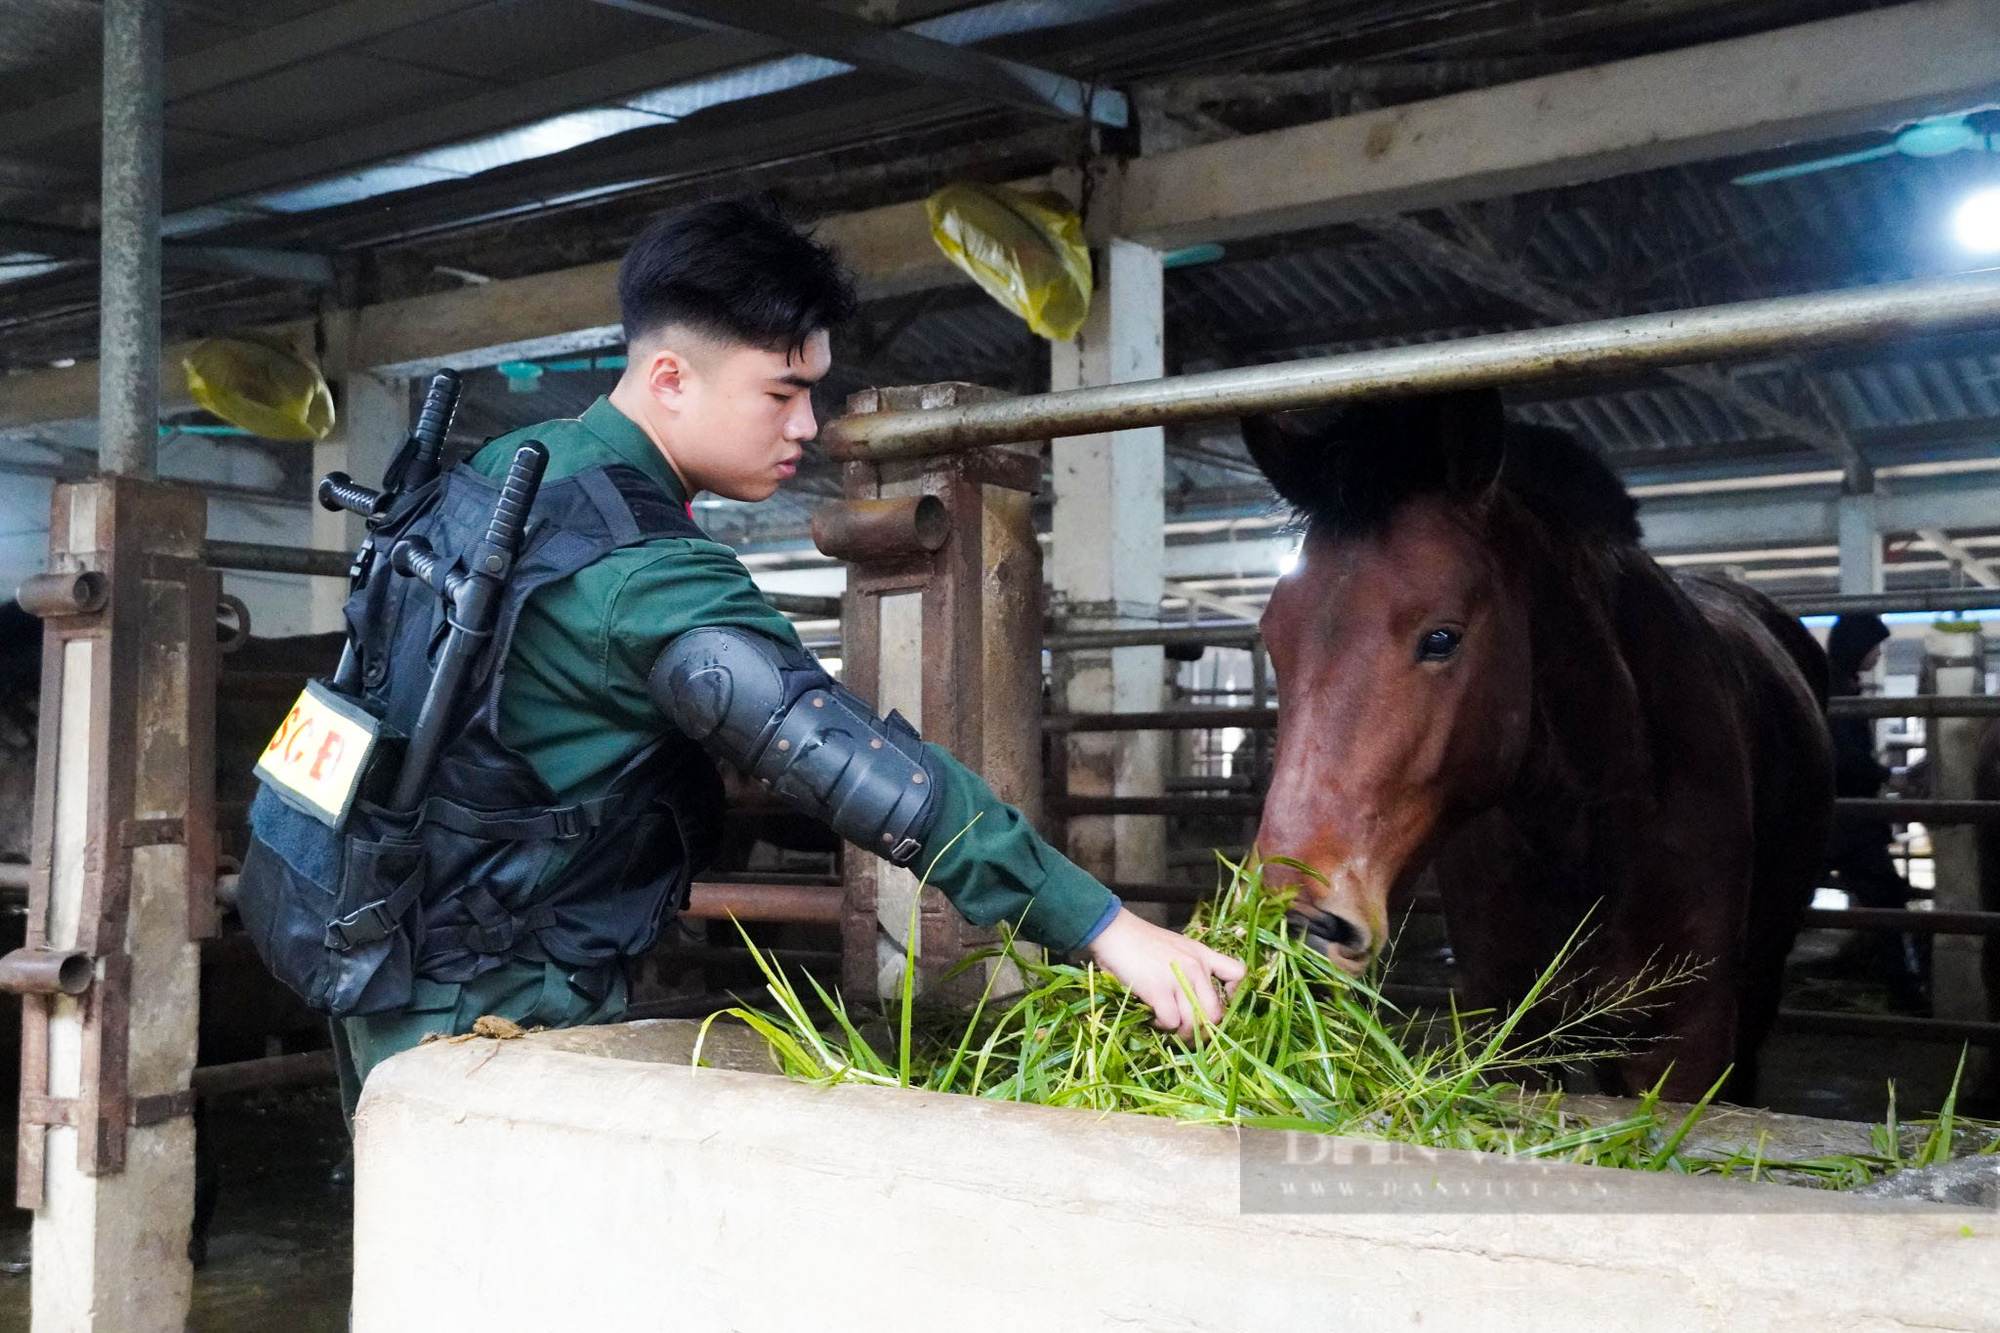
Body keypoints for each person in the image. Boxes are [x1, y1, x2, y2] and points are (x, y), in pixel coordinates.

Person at [322, 199, 1245, 1112]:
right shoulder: (646, 572)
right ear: (672, 378)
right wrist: (1104, 924)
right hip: (497, 1020)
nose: (809, 426)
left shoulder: (503, 470)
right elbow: (847, 762)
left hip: (384, 967)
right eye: (782, 391)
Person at [1825, 613, 1930, 1015]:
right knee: (1887, 901)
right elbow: (1844, 757)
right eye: (1875, 646)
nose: (1879, 654)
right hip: (1846, 822)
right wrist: (1889, 776)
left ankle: (1905, 991)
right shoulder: (1834, 691)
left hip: (1845, 819)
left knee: (1884, 899)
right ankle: (1906, 995)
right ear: (1857, 647)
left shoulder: (1840, 685)